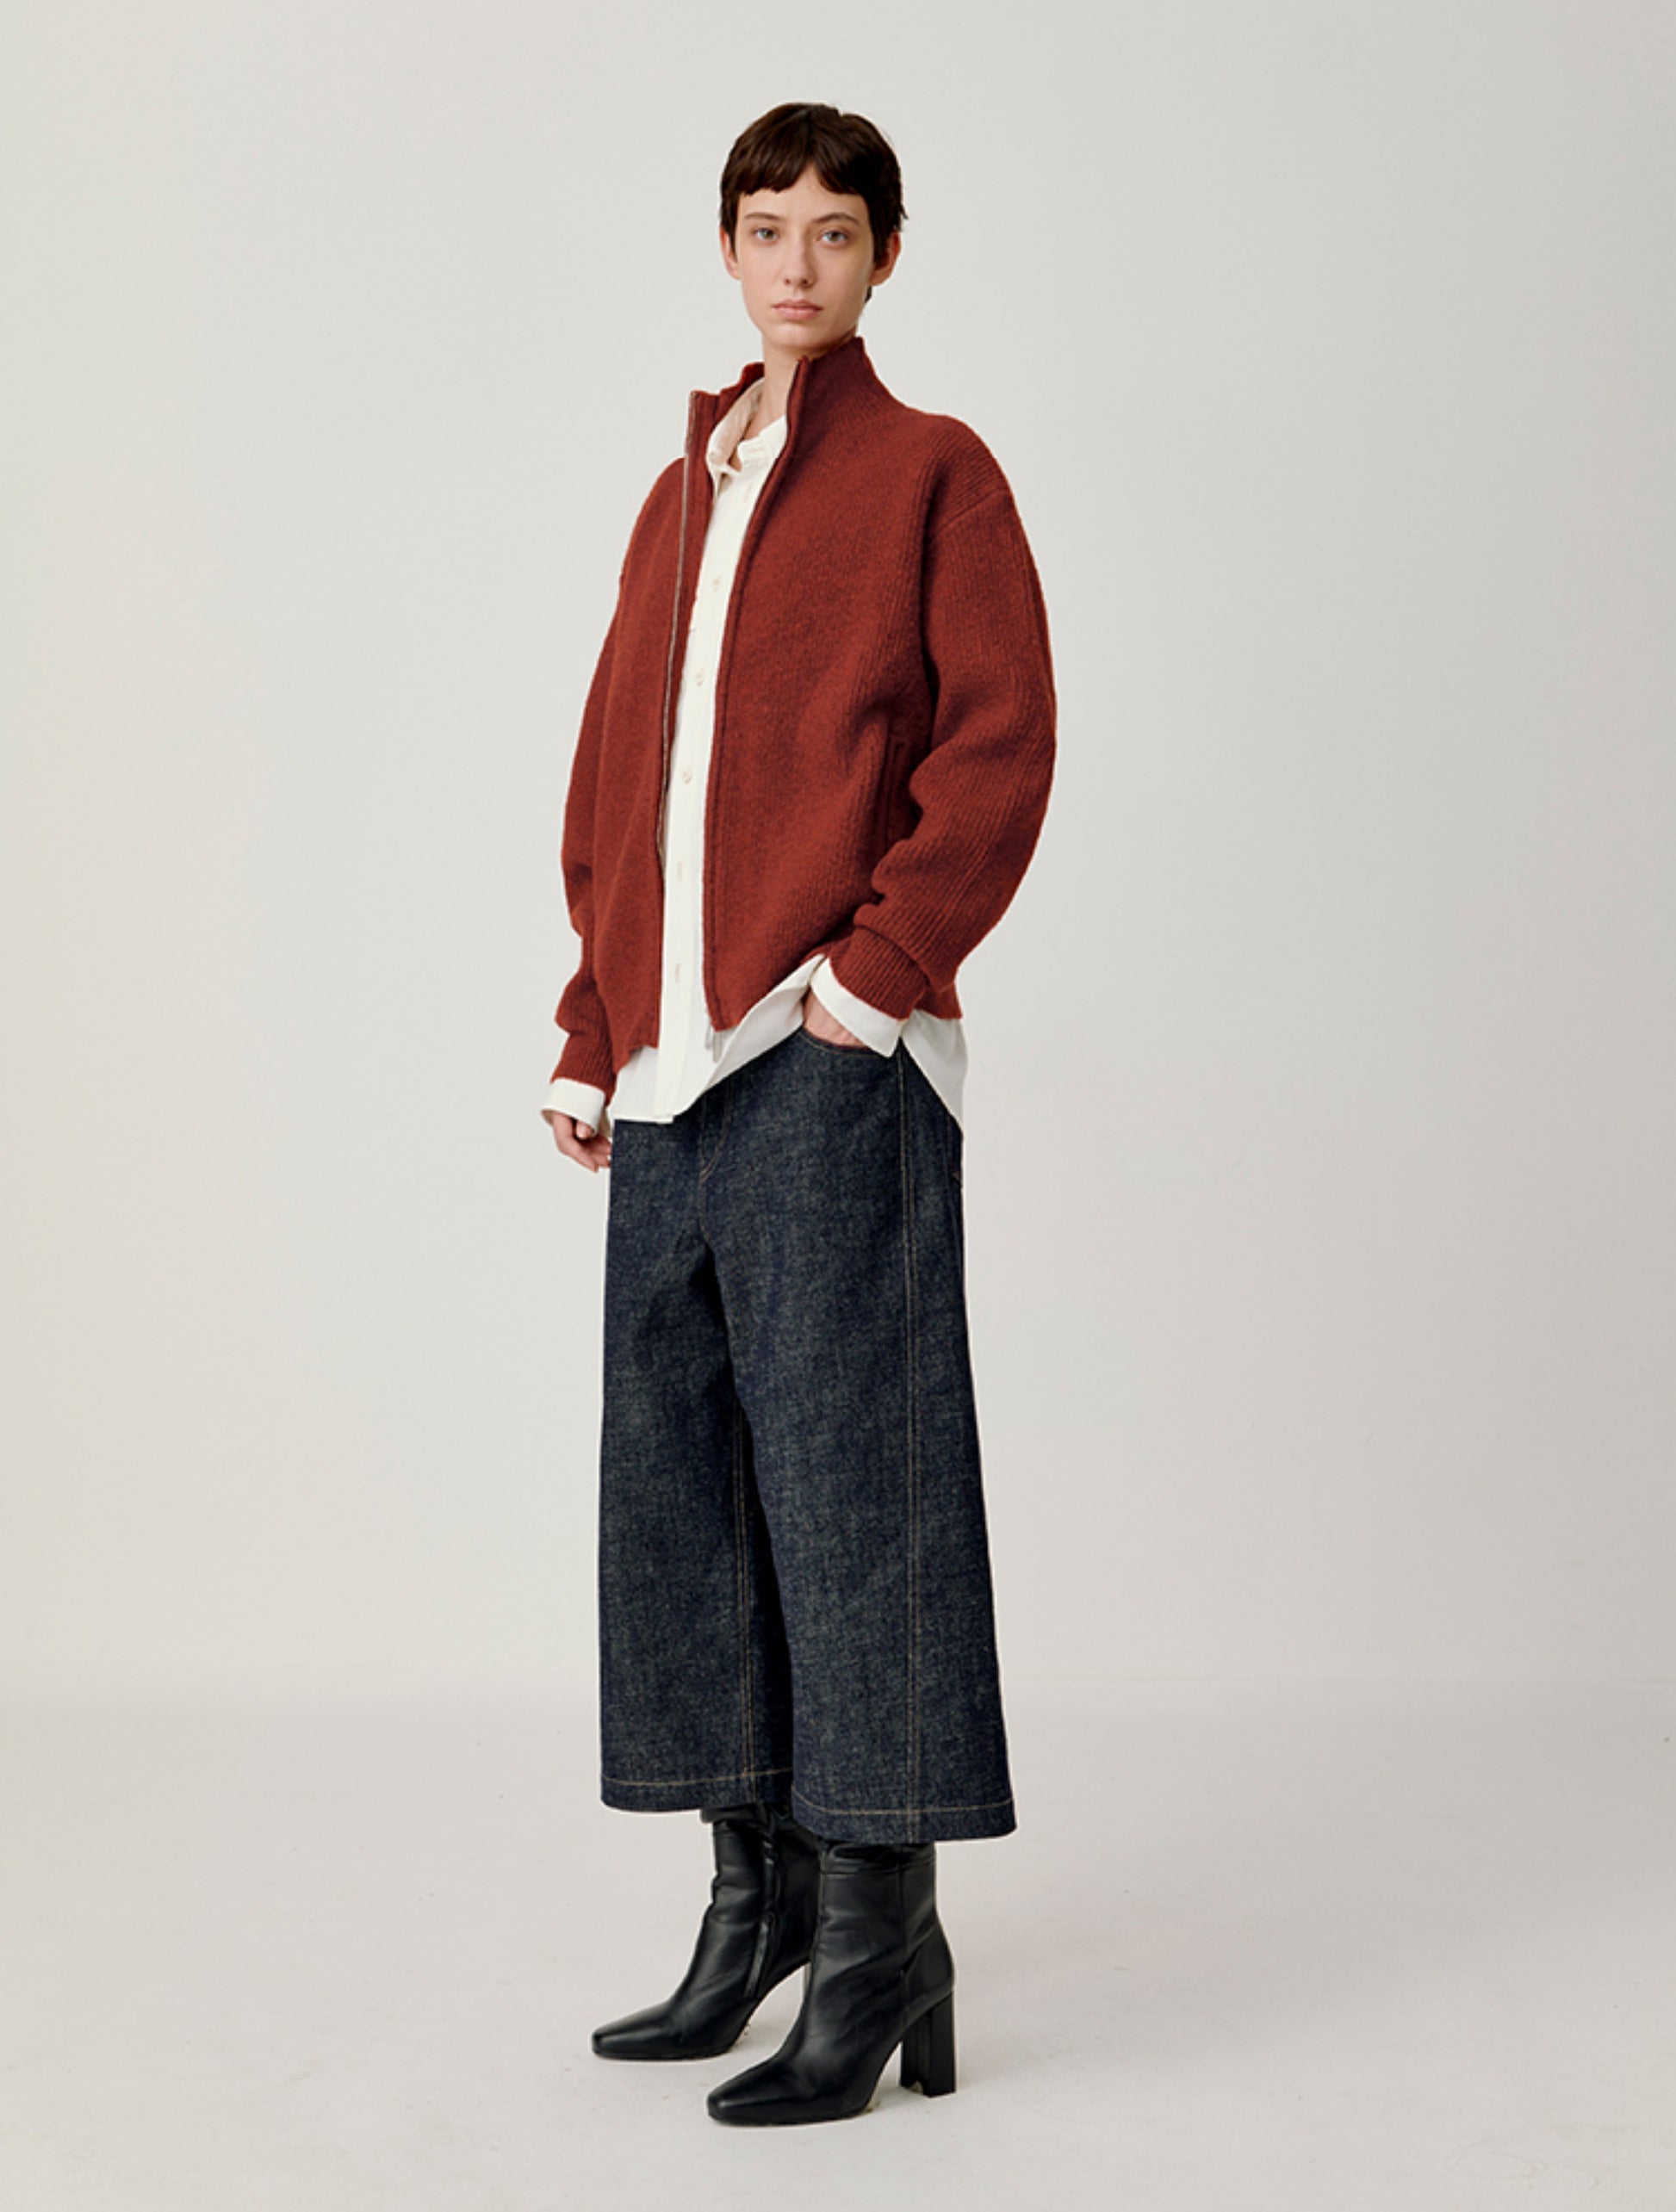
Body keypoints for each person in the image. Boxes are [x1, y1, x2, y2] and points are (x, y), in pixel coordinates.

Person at [541, 101, 1056, 2127]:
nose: (796, 266)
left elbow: (996, 746)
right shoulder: (680, 496)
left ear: (884, 257)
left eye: (835, 234)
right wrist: (593, 1018)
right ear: (727, 246)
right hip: (673, 1065)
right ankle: (747, 1909)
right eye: (767, 230)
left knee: (855, 1492)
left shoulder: (933, 473)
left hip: (825, 1050)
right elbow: (622, 781)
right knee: (684, 1490)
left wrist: (876, 971)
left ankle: (877, 1936)